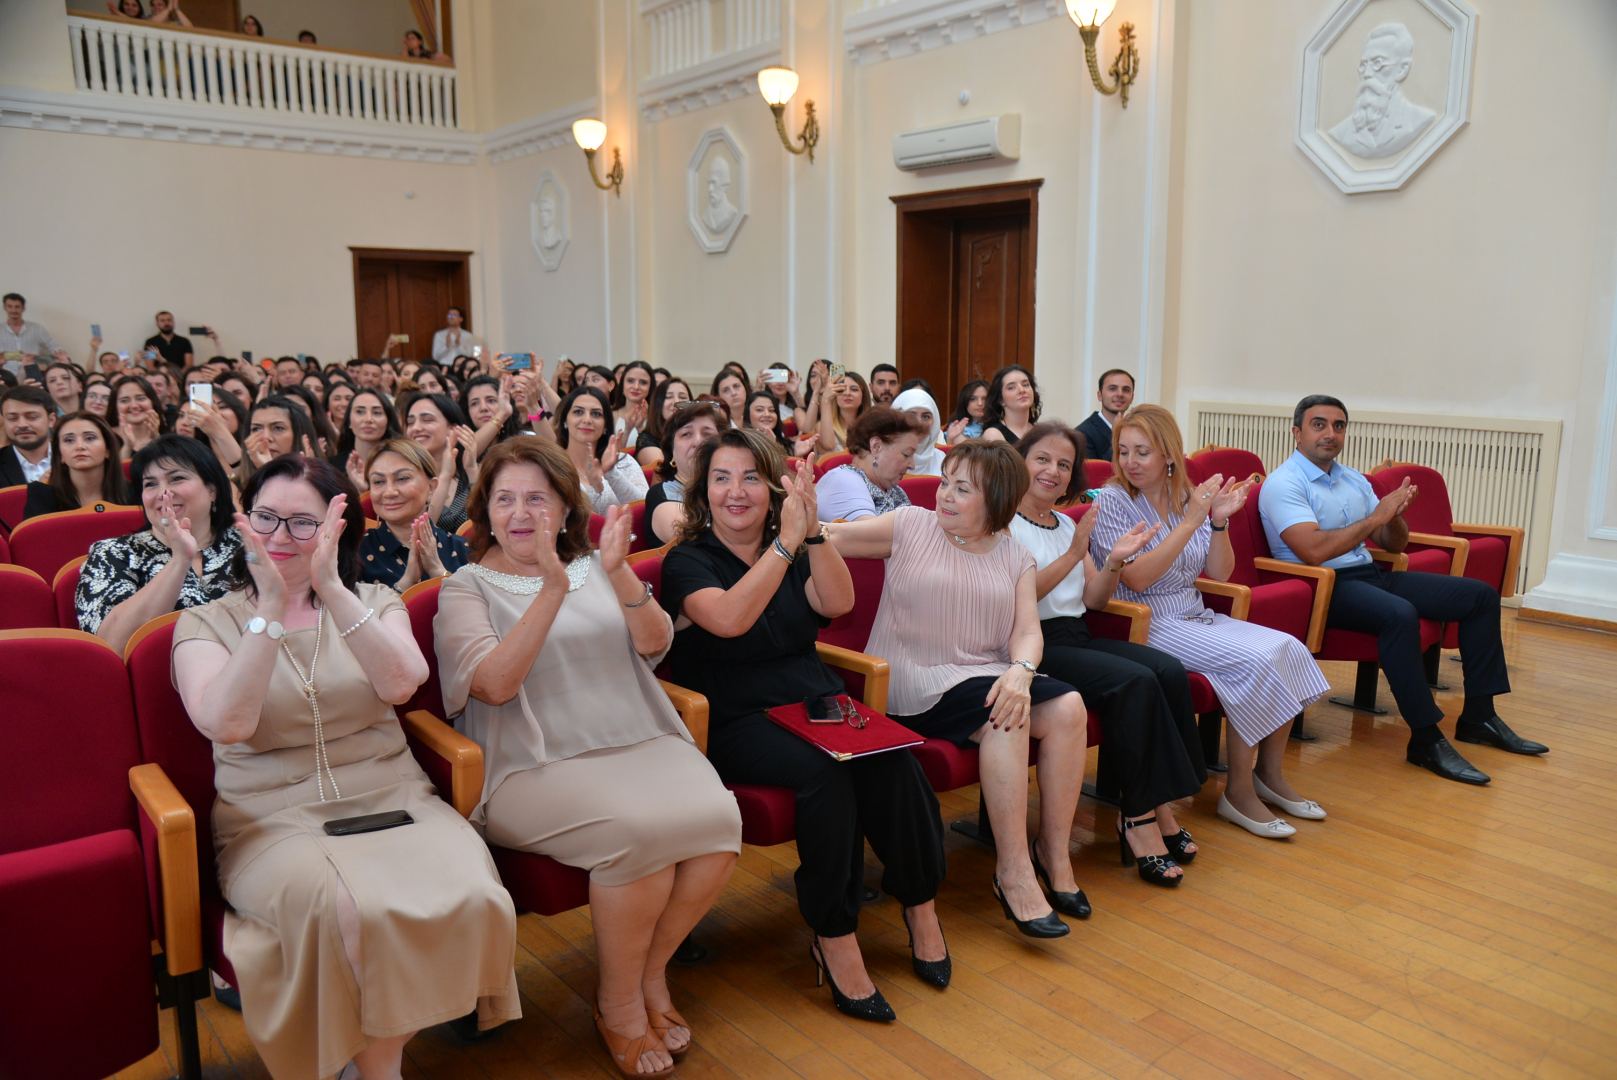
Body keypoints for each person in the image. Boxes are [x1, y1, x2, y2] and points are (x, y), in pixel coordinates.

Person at [171, 454, 519, 1079]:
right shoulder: (205, 620)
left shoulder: (375, 599)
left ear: (337, 531)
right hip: (269, 819)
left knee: (475, 892)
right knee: (349, 914)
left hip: (394, 798)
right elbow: (225, 723)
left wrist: (328, 588)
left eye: (303, 523)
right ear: (243, 523)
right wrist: (270, 612)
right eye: (266, 518)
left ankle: (370, 1063)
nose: (280, 537)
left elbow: (403, 683)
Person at [436, 438, 739, 1075]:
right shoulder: (464, 587)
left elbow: (657, 645)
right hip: (532, 761)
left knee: (719, 821)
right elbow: (492, 685)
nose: (521, 513)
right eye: (506, 499)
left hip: (636, 737)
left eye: (537, 499)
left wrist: (620, 570)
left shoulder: (596, 566)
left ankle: (647, 977)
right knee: (640, 836)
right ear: (484, 510)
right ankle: (619, 1003)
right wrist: (548, 588)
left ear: (565, 508)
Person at [662, 429, 947, 1022]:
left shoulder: (793, 541)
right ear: (703, 491)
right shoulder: (687, 560)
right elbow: (731, 620)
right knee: (826, 776)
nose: (735, 492)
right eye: (721, 479)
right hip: (737, 715)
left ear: (773, 489)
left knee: (894, 757)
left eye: (748, 478)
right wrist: (786, 548)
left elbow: (837, 602)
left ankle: (920, 905)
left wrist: (813, 530)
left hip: (811, 698)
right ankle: (834, 933)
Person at [829, 442, 1089, 937]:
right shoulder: (910, 525)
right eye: (945, 481)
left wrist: (1021, 670)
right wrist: (795, 527)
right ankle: (1012, 873)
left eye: (961, 488)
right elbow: (835, 538)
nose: (944, 495)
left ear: (996, 498)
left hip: (983, 673)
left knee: (1069, 706)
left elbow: (1029, 632)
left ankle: (1053, 854)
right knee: (1005, 716)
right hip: (914, 678)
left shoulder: (1015, 555)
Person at [1260, 395, 1549, 784]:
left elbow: (1392, 544)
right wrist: (1375, 517)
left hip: (1368, 573)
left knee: (1479, 595)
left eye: (1339, 425)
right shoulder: (1284, 484)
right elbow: (1313, 551)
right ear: (1296, 432)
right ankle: (1426, 739)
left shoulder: (1353, 480)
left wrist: (1394, 517)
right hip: (1319, 588)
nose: (1330, 433)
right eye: (1319, 424)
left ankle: (1480, 716)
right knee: (1399, 615)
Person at [1093, 405, 1330, 840]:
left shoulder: (1187, 497)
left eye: (1141, 452)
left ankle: (1269, 775)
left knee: (1289, 647)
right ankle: (1237, 792)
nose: (1130, 461)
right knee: (1255, 661)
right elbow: (1138, 578)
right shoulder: (1114, 500)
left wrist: (1217, 521)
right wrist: (1190, 522)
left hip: (1193, 610)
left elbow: (1220, 573)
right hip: (1148, 621)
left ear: (1169, 454)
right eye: (1123, 451)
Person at [1010, 424, 1204, 882]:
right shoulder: (1003, 522)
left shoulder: (1065, 523)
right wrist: (1075, 552)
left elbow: (1095, 600)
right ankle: (1137, 821)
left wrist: (1114, 559)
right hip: (1031, 643)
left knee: (1168, 670)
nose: (1053, 472)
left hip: (1077, 633)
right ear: (1021, 461)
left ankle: (1162, 806)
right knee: (1134, 682)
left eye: (1063, 465)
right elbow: (1017, 597)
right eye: (1042, 460)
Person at [77, 436, 244, 652]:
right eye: (150, 484)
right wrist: (180, 560)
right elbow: (109, 646)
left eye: (177, 478)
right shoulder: (113, 553)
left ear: (212, 490)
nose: (163, 493)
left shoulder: (247, 545)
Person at [359, 439, 469, 591]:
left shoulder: (464, 549)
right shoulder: (356, 553)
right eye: (378, 481)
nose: (390, 492)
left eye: (402, 478)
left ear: (431, 487)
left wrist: (439, 572)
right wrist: (406, 582)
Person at [814, 407, 925, 522]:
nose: (912, 465)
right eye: (906, 454)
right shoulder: (843, 481)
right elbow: (875, 537)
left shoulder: (895, 491)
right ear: (876, 447)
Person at [555, 386, 648, 514]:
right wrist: (595, 488)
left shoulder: (623, 462)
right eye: (578, 412)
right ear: (565, 420)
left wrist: (611, 473)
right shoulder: (553, 466)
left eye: (596, 414)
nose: (587, 420)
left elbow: (645, 509)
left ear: (605, 426)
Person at [646, 402, 724, 545]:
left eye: (707, 434)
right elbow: (702, 545)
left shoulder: (734, 491)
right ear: (672, 451)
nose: (698, 442)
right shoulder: (661, 496)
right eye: (686, 434)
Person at [24, 411, 127, 518]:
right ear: (60, 454)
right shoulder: (41, 496)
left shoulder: (134, 492)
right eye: (69, 440)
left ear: (108, 449)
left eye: (90, 438)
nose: (79, 446)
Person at [405, 393, 477, 534]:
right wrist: (444, 476)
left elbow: (488, 523)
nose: (416, 428)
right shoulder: (403, 479)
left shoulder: (469, 473)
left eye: (427, 420)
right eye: (410, 422)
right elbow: (420, 533)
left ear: (453, 429)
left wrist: (471, 469)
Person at [1076, 368, 1135, 463]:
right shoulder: (1082, 434)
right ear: (1099, 395)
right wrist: (1116, 435)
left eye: (1126, 390)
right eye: (1112, 389)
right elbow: (1096, 474)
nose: (1120, 394)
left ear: (1132, 397)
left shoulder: (1135, 431)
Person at [0, 386, 55, 486]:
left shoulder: (70, 458)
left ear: (51, 420)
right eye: (12, 418)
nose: (22, 425)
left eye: (32, 417)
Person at [807, 370, 871, 453]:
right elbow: (828, 446)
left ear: (863, 396)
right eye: (841, 390)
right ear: (834, 396)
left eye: (854, 389)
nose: (847, 393)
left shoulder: (871, 427)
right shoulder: (822, 426)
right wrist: (826, 400)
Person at [638, 377, 692, 469]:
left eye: (682, 397)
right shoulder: (647, 440)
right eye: (668, 397)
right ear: (658, 404)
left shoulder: (697, 436)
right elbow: (666, 473)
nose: (676, 402)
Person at [891, 387, 946, 476]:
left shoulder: (941, 459)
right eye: (911, 415)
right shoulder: (884, 458)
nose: (919, 423)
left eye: (926, 417)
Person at [980, 365, 1040, 444]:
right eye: (1011, 387)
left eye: (1025, 385)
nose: (1022, 390)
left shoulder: (1039, 431)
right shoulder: (993, 434)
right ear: (1000, 399)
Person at [1, 293, 60, 362]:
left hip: (32, 369)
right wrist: (16, 356)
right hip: (4, 370)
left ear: (23, 308)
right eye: (10, 306)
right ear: (5, 307)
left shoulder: (37, 328)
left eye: (17, 307)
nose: (13, 310)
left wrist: (60, 354)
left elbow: (54, 346)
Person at [613, 361, 655, 450]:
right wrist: (627, 430)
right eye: (630, 381)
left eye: (643, 382)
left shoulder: (656, 418)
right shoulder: (610, 414)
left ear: (650, 387)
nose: (636, 387)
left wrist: (640, 429)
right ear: (622, 384)